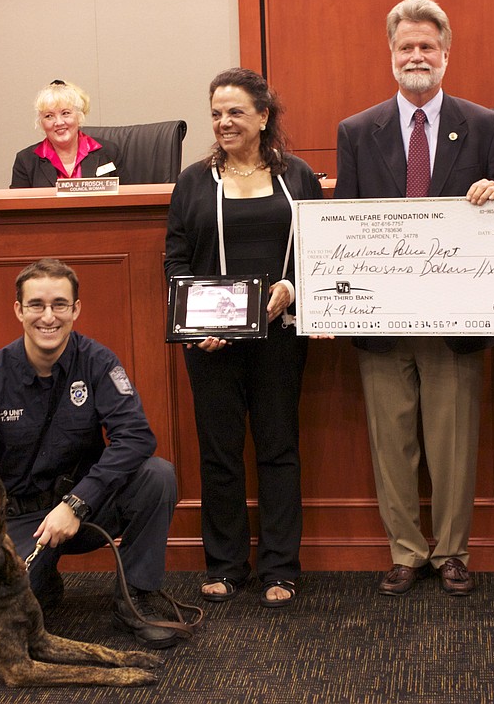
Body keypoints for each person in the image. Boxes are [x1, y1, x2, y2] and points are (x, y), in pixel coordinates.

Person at [0, 258, 185, 649]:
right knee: (1, 621)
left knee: (157, 475)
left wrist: (77, 503)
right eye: (36, 305)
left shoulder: (98, 363)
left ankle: (136, 599)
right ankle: (45, 578)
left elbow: (136, 437)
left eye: (60, 304)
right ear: (19, 310)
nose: (48, 316)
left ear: (76, 309)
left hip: (86, 510)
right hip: (21, 521)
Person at [334, 0, 494, 598]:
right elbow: (342, 225)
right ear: (391, 55)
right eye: (406, 46)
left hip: (456, 317)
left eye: (427, 47)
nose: (417, 56)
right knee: (392, 444)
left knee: (453, 443)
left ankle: (453, 553)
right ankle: (406, 552)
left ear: (446, 54)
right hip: (381, 318)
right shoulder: (356, 131)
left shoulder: (487, 126)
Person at [164, 67, 323, 608]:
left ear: (263, 115)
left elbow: (320, 251)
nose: (224, 122)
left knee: (279, 449)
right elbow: (176, 260)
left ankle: (280, 566)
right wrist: (199, 325)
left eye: (235, 111)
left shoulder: (298, 176)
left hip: (280, 336)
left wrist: (292, 288)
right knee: (220, 453)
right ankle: (226, 565)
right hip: (212, 343)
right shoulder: (193, 181)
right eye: (216, 114)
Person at [10, 80, 128, 187]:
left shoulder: (109, 152)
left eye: (65, 113)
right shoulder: (26, 160)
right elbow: (17, 204)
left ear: (79, 116)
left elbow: (129, 198)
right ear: (41, 123)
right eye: (49, 116)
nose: (59, 122)